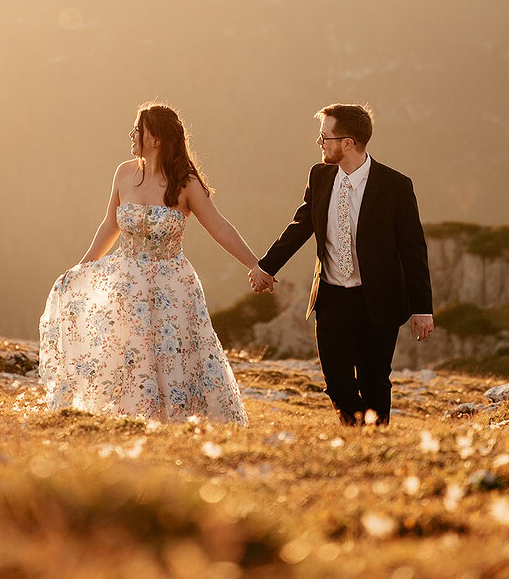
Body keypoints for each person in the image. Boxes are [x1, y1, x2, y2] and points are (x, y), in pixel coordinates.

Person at [39, 102, 252, 425]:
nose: (132, 134)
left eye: (138, 130)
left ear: (156, 139)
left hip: (172, 284)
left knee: (172, 354)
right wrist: (82, 268)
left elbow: (219, 227)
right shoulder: (124, 172)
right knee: (128, 352)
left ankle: (181, 419)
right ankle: (130, 416)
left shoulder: (186, 182)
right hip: (127, 281)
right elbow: (109, 225)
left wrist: (255, 264)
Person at [248, 103, 433, 426]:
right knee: (336, 382)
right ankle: (360, 430)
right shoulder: (320, 176)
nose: (320, 144)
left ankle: (373, 447)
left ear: (349, 143)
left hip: (378, 299)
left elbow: (413, 250)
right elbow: (301, 225)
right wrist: (267, 266)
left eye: (325, 138)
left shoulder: (395, 186)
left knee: (375, 380)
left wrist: (422, 308)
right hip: (332, 297)